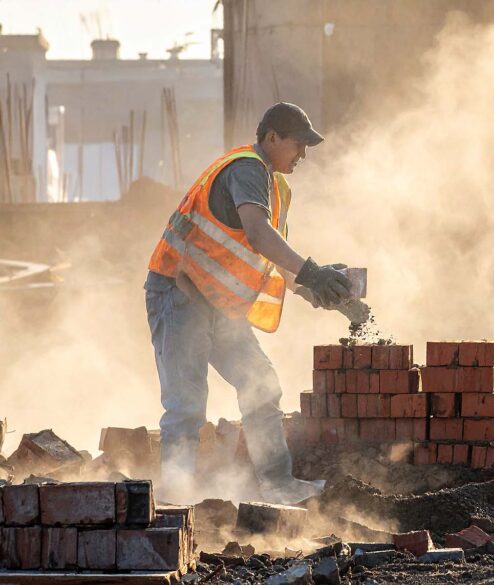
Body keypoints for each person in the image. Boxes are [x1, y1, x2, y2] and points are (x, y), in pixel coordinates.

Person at [145, 102, 354, 504]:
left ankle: (278, 484)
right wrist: (312, 273)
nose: (303, 155)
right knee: (187, 402)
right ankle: (175, 498)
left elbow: (271, 257)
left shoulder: (277, 188)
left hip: (217, 304)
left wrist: (319, 289)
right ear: (272, 137)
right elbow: (258, 236)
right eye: (298, 145)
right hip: (179, 292)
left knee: (261, 384)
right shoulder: (246, 168)